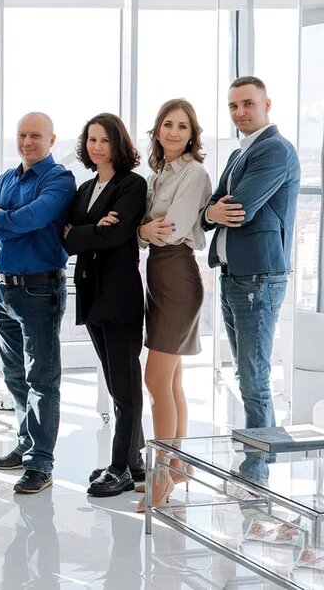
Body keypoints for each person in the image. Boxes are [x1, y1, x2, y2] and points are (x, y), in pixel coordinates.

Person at [202, 76, 299, 431]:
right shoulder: (238, 154)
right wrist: (211, 212)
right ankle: (261, 455)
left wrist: (215, 211)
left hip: (259, 277)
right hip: (234, 276)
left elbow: (239, 209)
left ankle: (260, 461)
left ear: (266, 105)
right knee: (246, 374)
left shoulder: (275, 150)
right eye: (233, 106)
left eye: (247, 104)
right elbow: (210, 209)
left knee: (254, 378)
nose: (239, 112)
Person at [0, 112, 76, 494]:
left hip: (41, 290)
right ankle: (26, 445)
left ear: (51, 140)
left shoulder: (59, 179)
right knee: (14, 375)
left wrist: (5, 218)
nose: (27, 142)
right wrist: (11, 220)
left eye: (35, 135)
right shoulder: (6, 178)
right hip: (5, 289)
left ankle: (41, 464)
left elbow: (31, 219)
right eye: (22, 135)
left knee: (41, 379)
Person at [63, 113, 147, 498]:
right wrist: (93, 230)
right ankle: (132, 461)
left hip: (119, 295)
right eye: (92, 139)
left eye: (105, 140)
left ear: (118, 144)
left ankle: (120, 468)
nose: (97, 147)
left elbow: (117, 236)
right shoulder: (85, 188)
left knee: (125, 387)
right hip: (91, 293)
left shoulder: (132, 184)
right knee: (115, 384)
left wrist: (86, 232)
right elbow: (66, 240)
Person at [134, 99, 212, 511]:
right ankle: (179, 465)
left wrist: (144, 230)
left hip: (178, 274)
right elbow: (146, 233)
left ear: (192, 134)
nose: (174, 132)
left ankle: (161, 475)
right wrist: (144, 231)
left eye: (183, 126)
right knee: (172, 380)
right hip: (159, 275)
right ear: (158, 130)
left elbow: (171, 229)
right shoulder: (158, 174)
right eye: (168, 124)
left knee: (155, 380)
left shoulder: (194, 172)